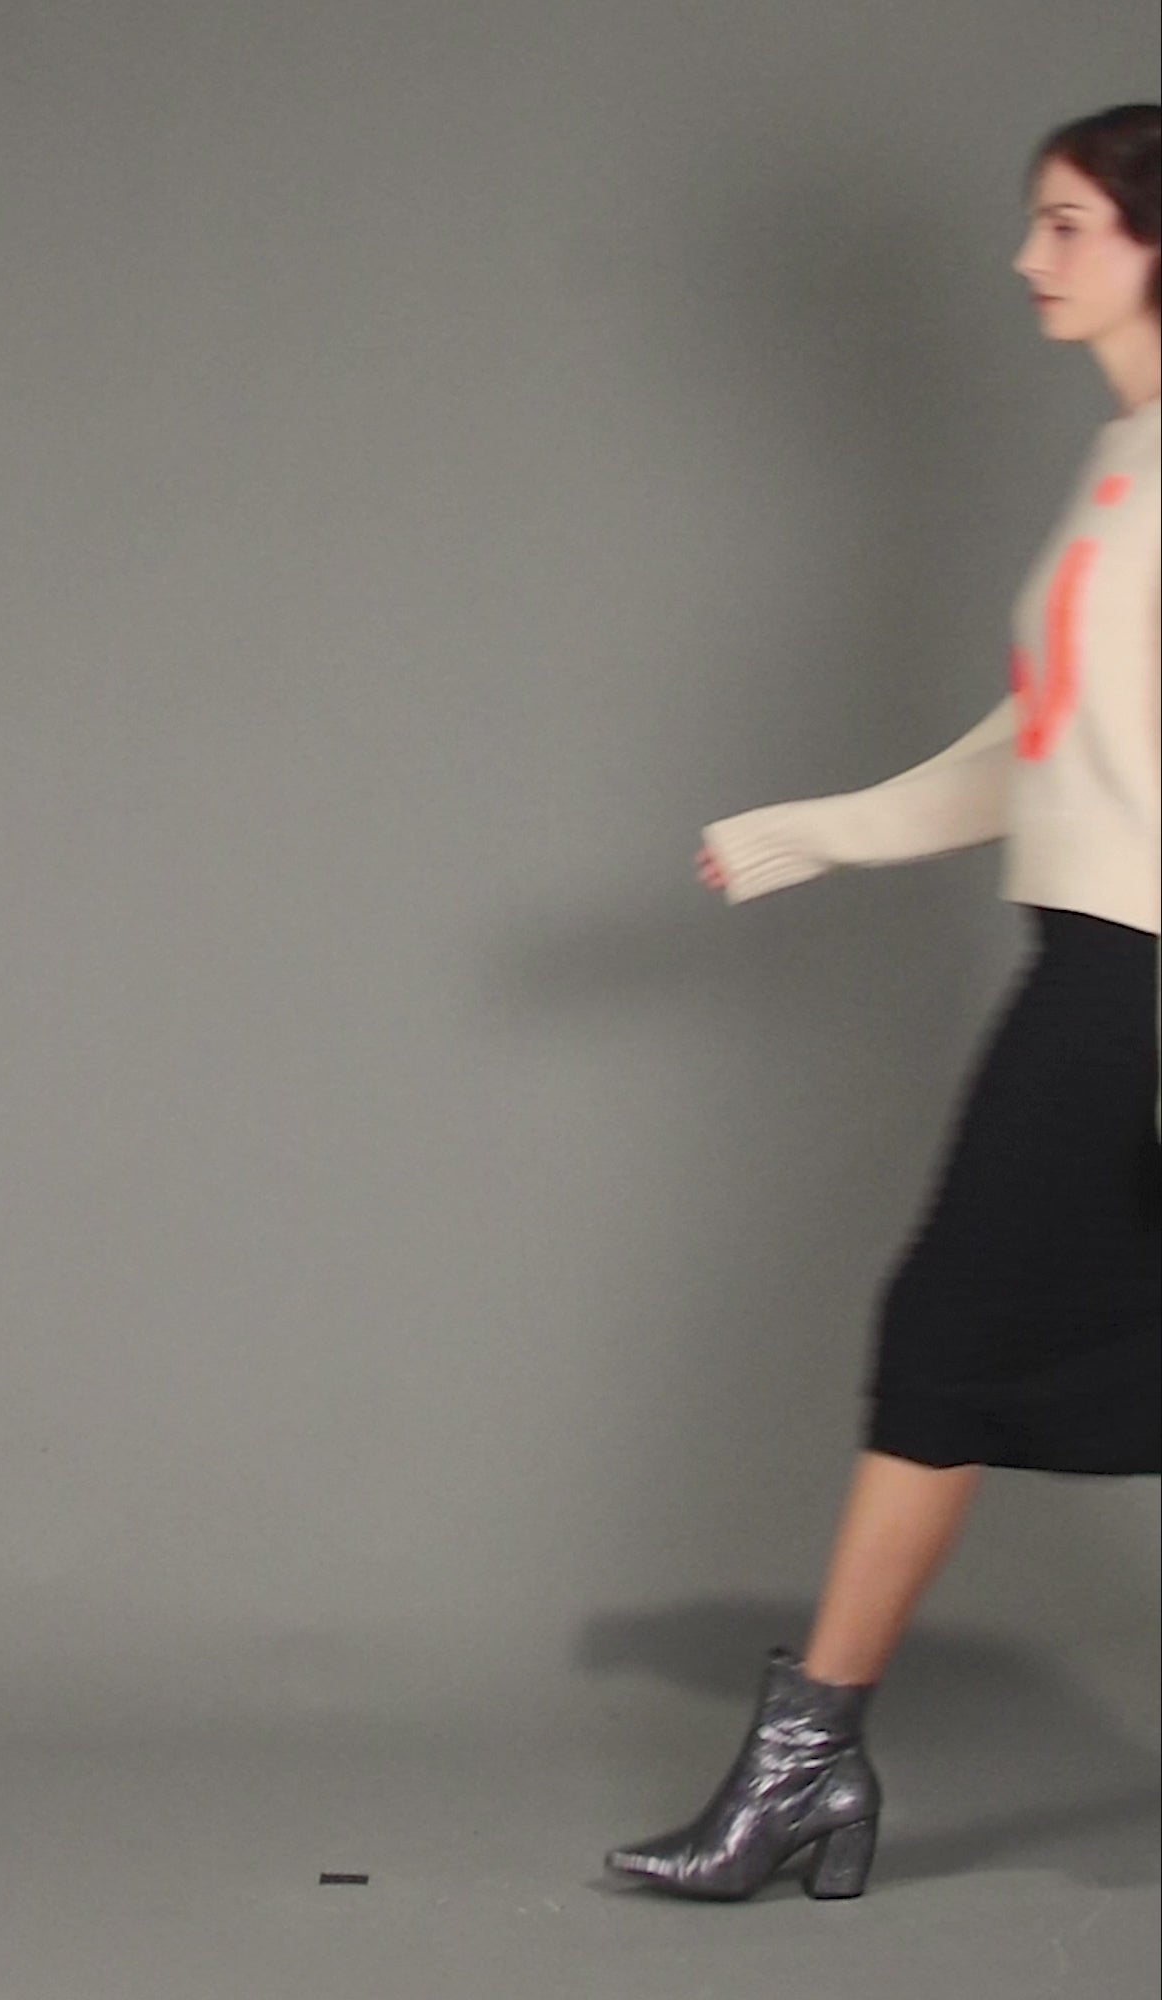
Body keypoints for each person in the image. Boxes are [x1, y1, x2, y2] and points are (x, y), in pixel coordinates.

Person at [604, 102, 1161, 1903]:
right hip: (1094, 962)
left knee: (945, 1339)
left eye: (1067, 225)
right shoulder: (1127, 459)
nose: (1026, 258)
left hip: (1137, 982)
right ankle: (811, 1763)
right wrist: (816, 834)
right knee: (971, 1341)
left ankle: (806, 1766)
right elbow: (1044, 743)